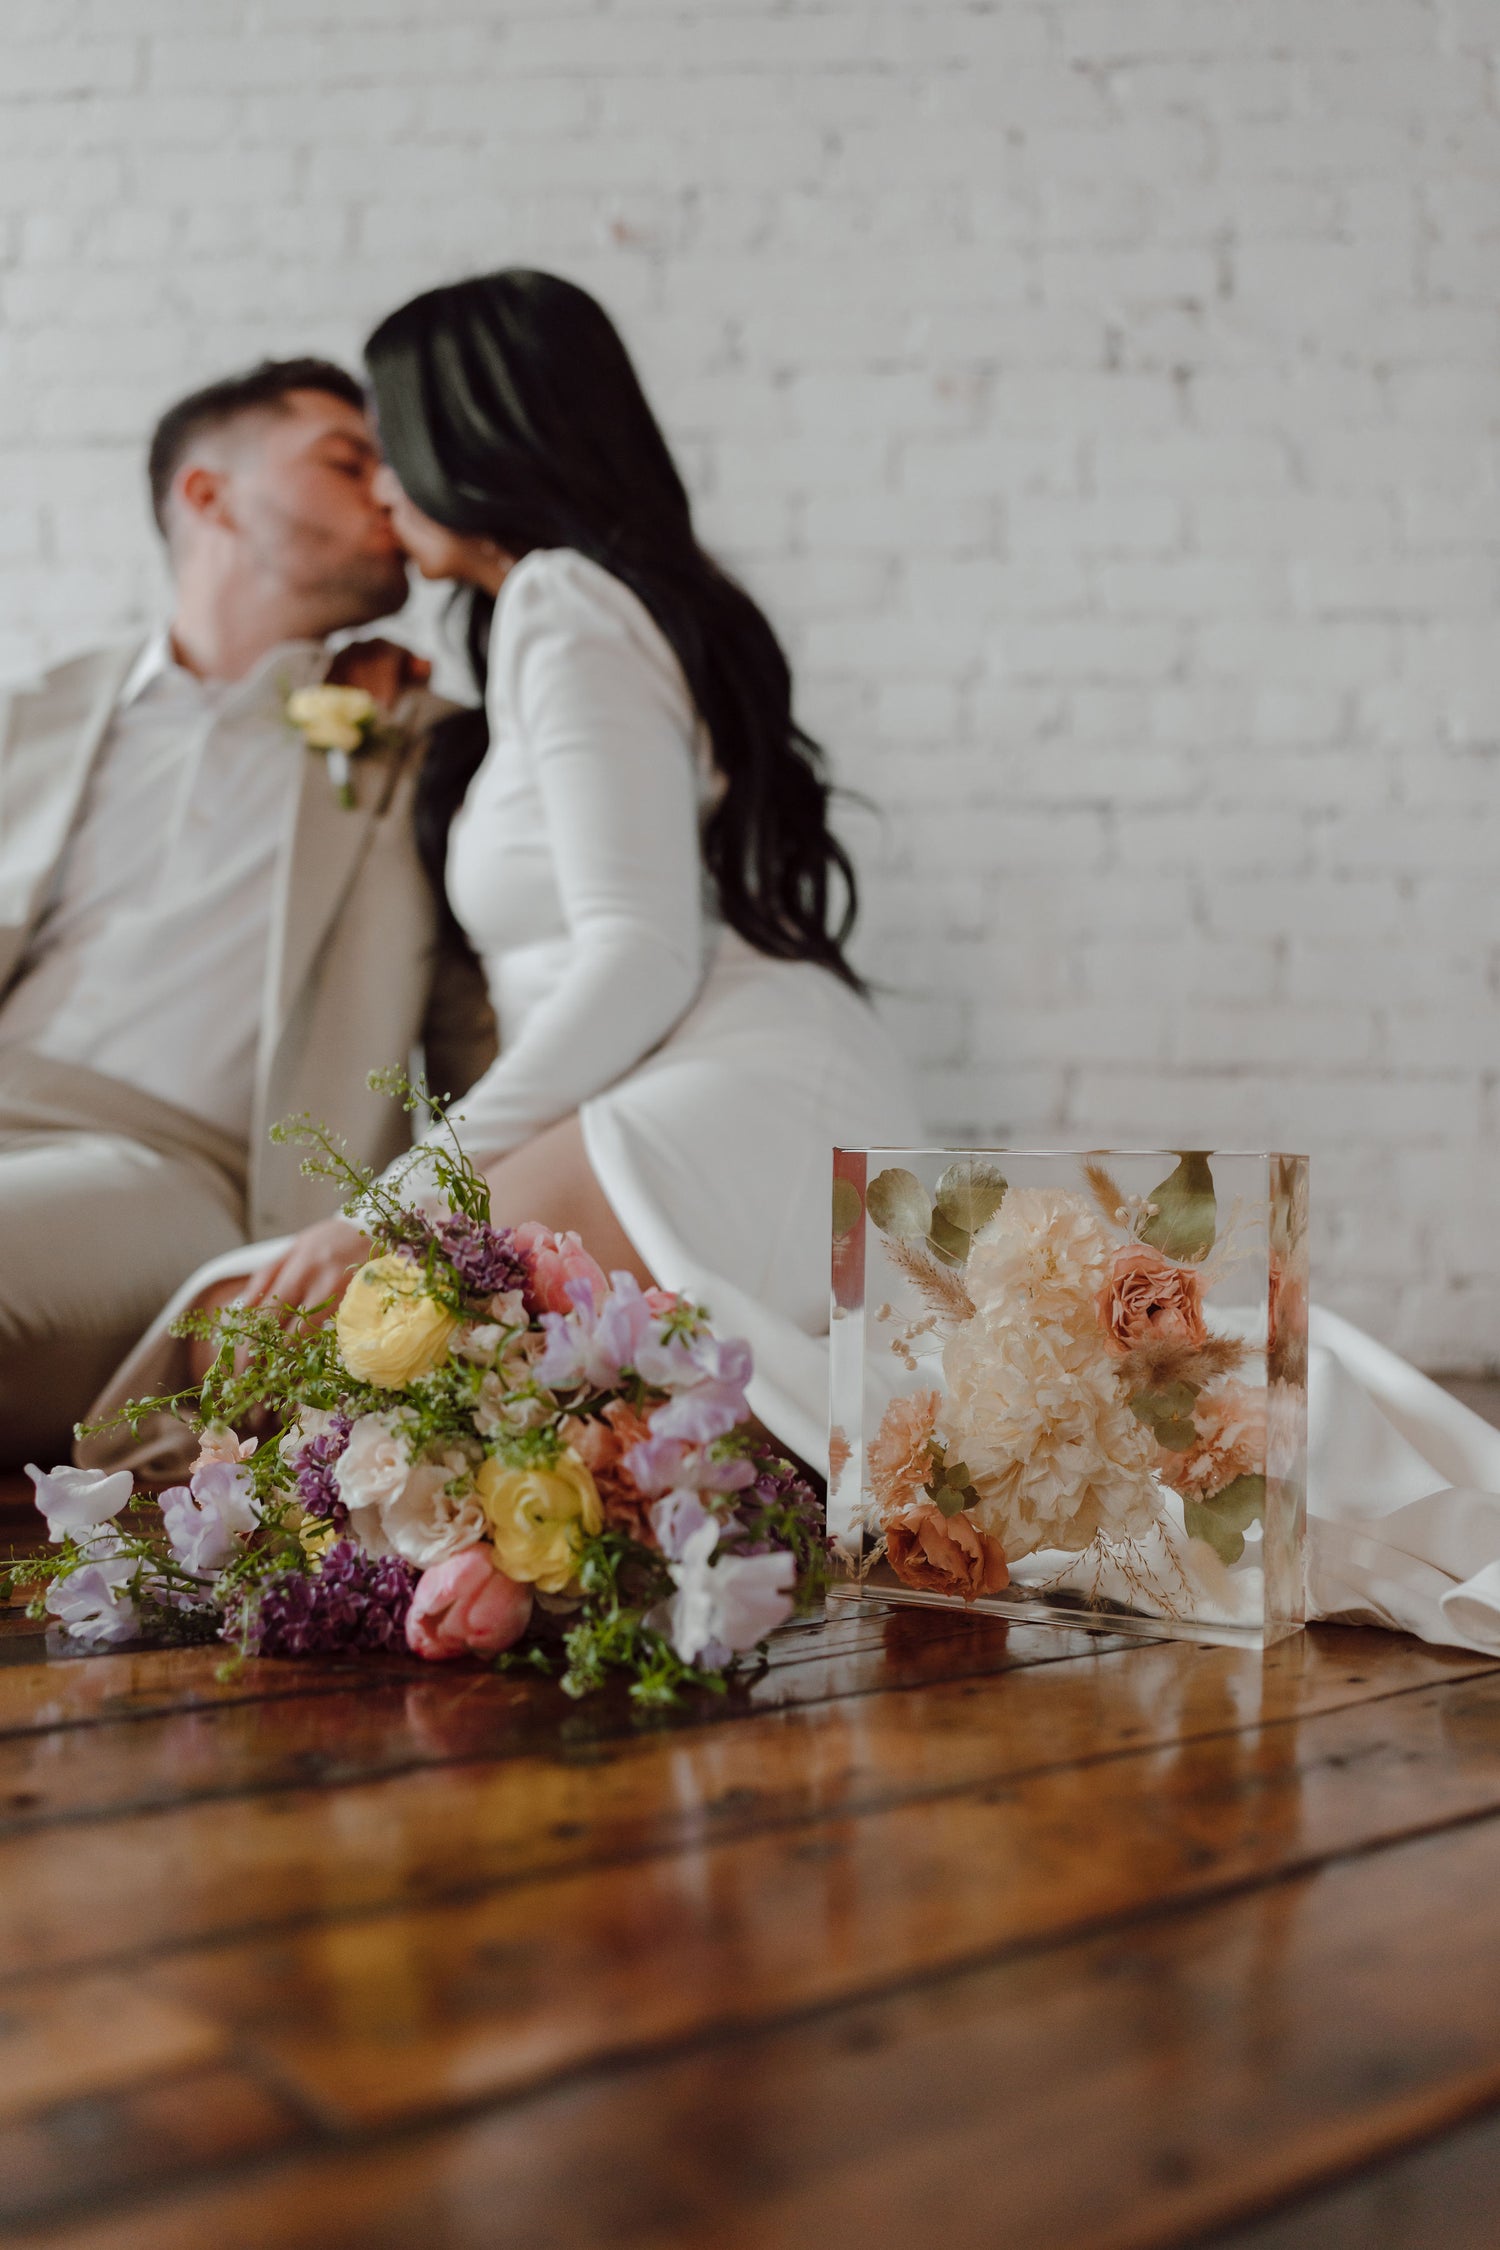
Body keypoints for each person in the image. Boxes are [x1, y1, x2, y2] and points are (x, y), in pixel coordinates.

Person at [179, 272, 921, 1469]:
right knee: (274, 1357)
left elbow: (640, 955)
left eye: (387, 443)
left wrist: (398, 1196)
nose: (376, 483)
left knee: (324, 1366)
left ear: (466, 436)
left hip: (735, 1089)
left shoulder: (561, 600)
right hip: (693, 1079)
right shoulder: (555, 616)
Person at [0, 358, 492, 1467]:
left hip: (174, 1172)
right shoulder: (39, 717)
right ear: (209, 497)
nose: (390, 489)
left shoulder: (427, 743)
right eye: (347, 460)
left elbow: (491, 1051)